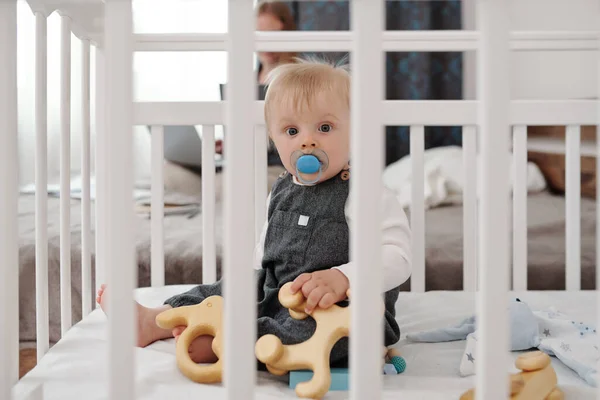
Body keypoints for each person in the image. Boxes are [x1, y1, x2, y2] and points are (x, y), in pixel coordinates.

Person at [97, 59, 412, 366]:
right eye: (291, 131)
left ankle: (228, 341)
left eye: (325, 127)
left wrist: (343, 277)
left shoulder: (365, 192)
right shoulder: (281, 188)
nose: (307, 141)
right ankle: (156, 320)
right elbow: (265, 246)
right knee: (226, 288)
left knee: (326, 335)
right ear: (274, 140)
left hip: (342, 308)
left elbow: (397, 257)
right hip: (277, 291)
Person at [255, 0, 298, 84]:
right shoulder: (246, 80)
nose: (266, 45)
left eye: (273, 34)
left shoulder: (300, 78)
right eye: (260, 35)